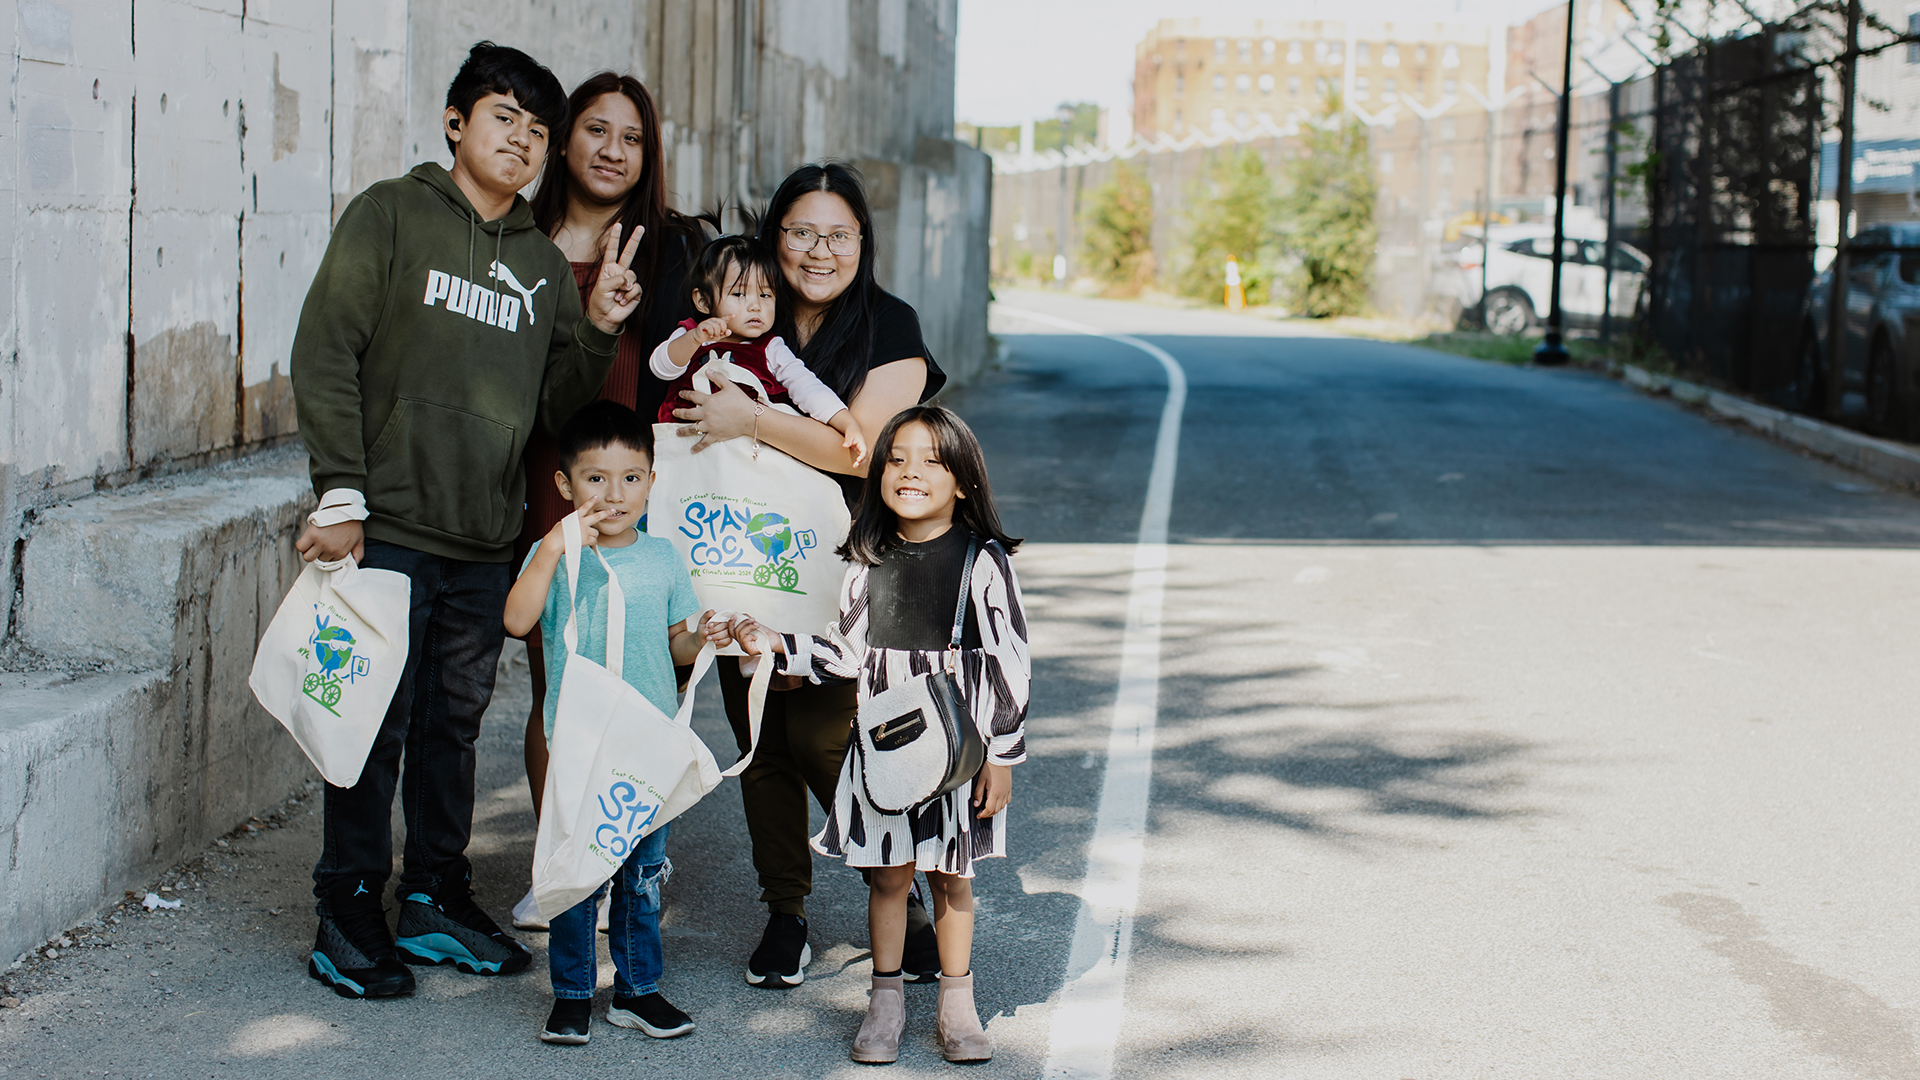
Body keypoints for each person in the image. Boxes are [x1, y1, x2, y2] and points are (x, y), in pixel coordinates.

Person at [289, 41, 648, 999]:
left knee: (452, 728)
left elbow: (553, 408)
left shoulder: (536, 261)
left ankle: (436, 896)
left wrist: (601, 324)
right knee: (371, 723)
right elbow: (326, 351)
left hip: (483, 541)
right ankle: (349, 905)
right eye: (505, 120)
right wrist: (340, 495)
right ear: (456, 123)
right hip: (387, 526)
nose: (523, 143)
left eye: (538, 132)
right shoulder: (392, 215)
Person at [671, 162, 947, 988]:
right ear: (772, 238)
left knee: (834, 738)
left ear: (863, 241)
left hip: (845, 568)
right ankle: (785, 912)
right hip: (740, 550)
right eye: (800, 232)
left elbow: (857, 444)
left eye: (838, 234)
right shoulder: (742, 308)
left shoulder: (889, 327)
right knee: (760, 741)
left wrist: (752, 418)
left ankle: (896, 895)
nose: (818, 251)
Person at [716, 406, 1030, 1064]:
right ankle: (884, 1000)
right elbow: (844, 654)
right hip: (884, 749)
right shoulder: (866, 561)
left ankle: (957, 1004)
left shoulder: (985, 562)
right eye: (897, 459)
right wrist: (775, 642)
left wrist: (1001, 755)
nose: (910, 472)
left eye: (932, 461)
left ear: (965, 482)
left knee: (951, 879)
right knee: (889, 878)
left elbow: (1009, 659)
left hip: (958, 749)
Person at [511, 71, 709, 932]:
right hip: (548, 473)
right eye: (596, 130)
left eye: (631, 138)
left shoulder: (676, 247)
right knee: (559, 676)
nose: (613, 150)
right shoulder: (517, 238)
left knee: (636, 681)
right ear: (564, 139)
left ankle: (630, 875)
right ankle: (563, 864)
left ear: (649, 154)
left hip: (640, 487)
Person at [503, 401, 712, 1045]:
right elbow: (516, 622)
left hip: (645, 741)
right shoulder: (558, 556)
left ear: (652, 482)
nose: (614, 494)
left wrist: (705, 635)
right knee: (578, 867)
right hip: (578, 738)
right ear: (565, 486)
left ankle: (636, 989)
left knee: (642, 873)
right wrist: (550, 548)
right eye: (596, 478)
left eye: (631, 478)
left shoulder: (665, 558)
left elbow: (676, 645)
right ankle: (570, 992)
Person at [649, 232, 868, 466]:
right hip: (689, 454)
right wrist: (693, 338)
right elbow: (662, 368)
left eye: (765, 294)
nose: (755, 306)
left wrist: (846, 422)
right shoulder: (692, 334)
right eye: (739, 294)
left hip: (750, 461)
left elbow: (807, 388)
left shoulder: (770, 348)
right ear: (703, 301)